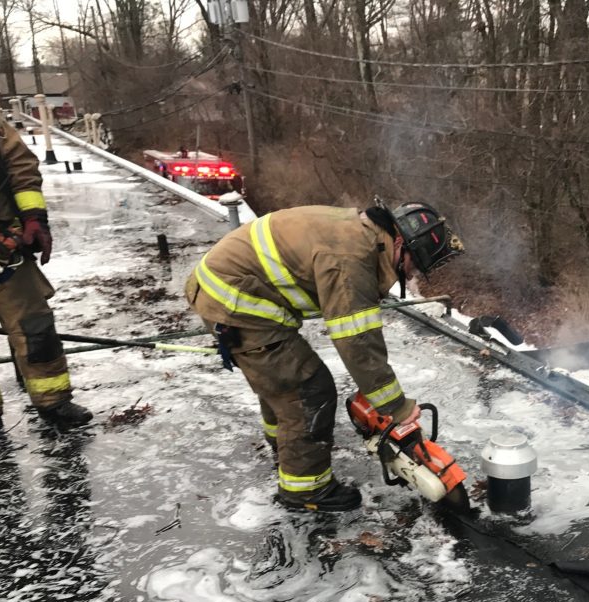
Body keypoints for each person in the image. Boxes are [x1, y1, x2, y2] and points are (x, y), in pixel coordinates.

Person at [185, 200, 463, 512]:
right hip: (234, 303)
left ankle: (286, 445)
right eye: (414, 264)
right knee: (307, 388)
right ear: (399, 242)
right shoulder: (351, 259)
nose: (411, 274)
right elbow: (357, 341)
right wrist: (396, 407)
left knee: (280, 379)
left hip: (226, 290)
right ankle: (305, 489)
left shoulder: (359, 234)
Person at [0, 94, 92, 451]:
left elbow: (20, 164)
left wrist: (34, 219)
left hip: (1, 245)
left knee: (35, 326)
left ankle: (54, 402)